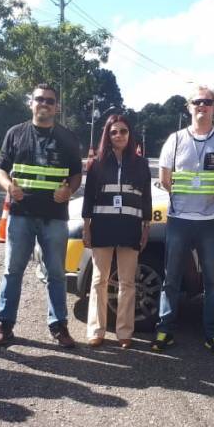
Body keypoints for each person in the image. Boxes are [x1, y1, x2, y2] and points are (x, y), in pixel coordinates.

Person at [152, 86, 214, 356]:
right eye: (197, 102)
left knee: (213, 280)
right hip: (179, 220)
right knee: (171, 279)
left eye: (208, 102)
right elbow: (165, 179)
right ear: (189, 107)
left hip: (211, 222)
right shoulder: (175, 140)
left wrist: (212, 203)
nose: (202, 106)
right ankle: (165, 329)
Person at [0, 83, 82, 348]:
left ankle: (59, 326)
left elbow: (76, 174)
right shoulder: (15, 134)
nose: (44, 104)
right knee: (12, 270)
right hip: (21, 214)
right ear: (30, 103)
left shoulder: (68, 138)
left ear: (57, 107)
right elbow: (0, 170)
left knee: (56, 273)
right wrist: (8, 186)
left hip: (55, 216)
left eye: (50, 101)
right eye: (40, 99)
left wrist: (69, 190)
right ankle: (4, 325)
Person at [81, 114, 152, 349]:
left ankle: (124, 332)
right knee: (99, 280)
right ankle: (96, 330)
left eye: (123, 131)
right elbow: (88, 198)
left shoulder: (141, 164)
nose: (118, 135)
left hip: (130, 228)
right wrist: (86, 228)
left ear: (129, 134)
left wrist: (145, 228)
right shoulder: (97, 163)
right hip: (102, 227)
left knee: (127, 282)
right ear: (108, 136)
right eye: (114, 132)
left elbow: (147, 199)